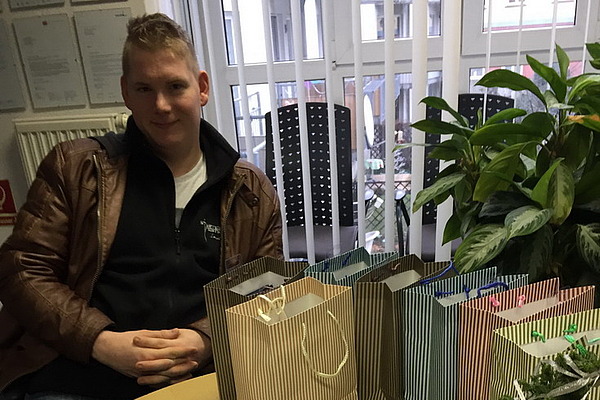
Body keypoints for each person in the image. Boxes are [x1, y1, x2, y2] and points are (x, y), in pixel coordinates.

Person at [0, 12, 283, 400]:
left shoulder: (250, 189)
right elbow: (21, 270)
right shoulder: (77, 168)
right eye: (145, 89)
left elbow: (267, 287)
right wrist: (99, 340)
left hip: (198, 371)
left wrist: (206, 339)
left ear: (201, 88)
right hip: (84, 368)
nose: (161, 105)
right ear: (126, 92)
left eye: (175, 86)